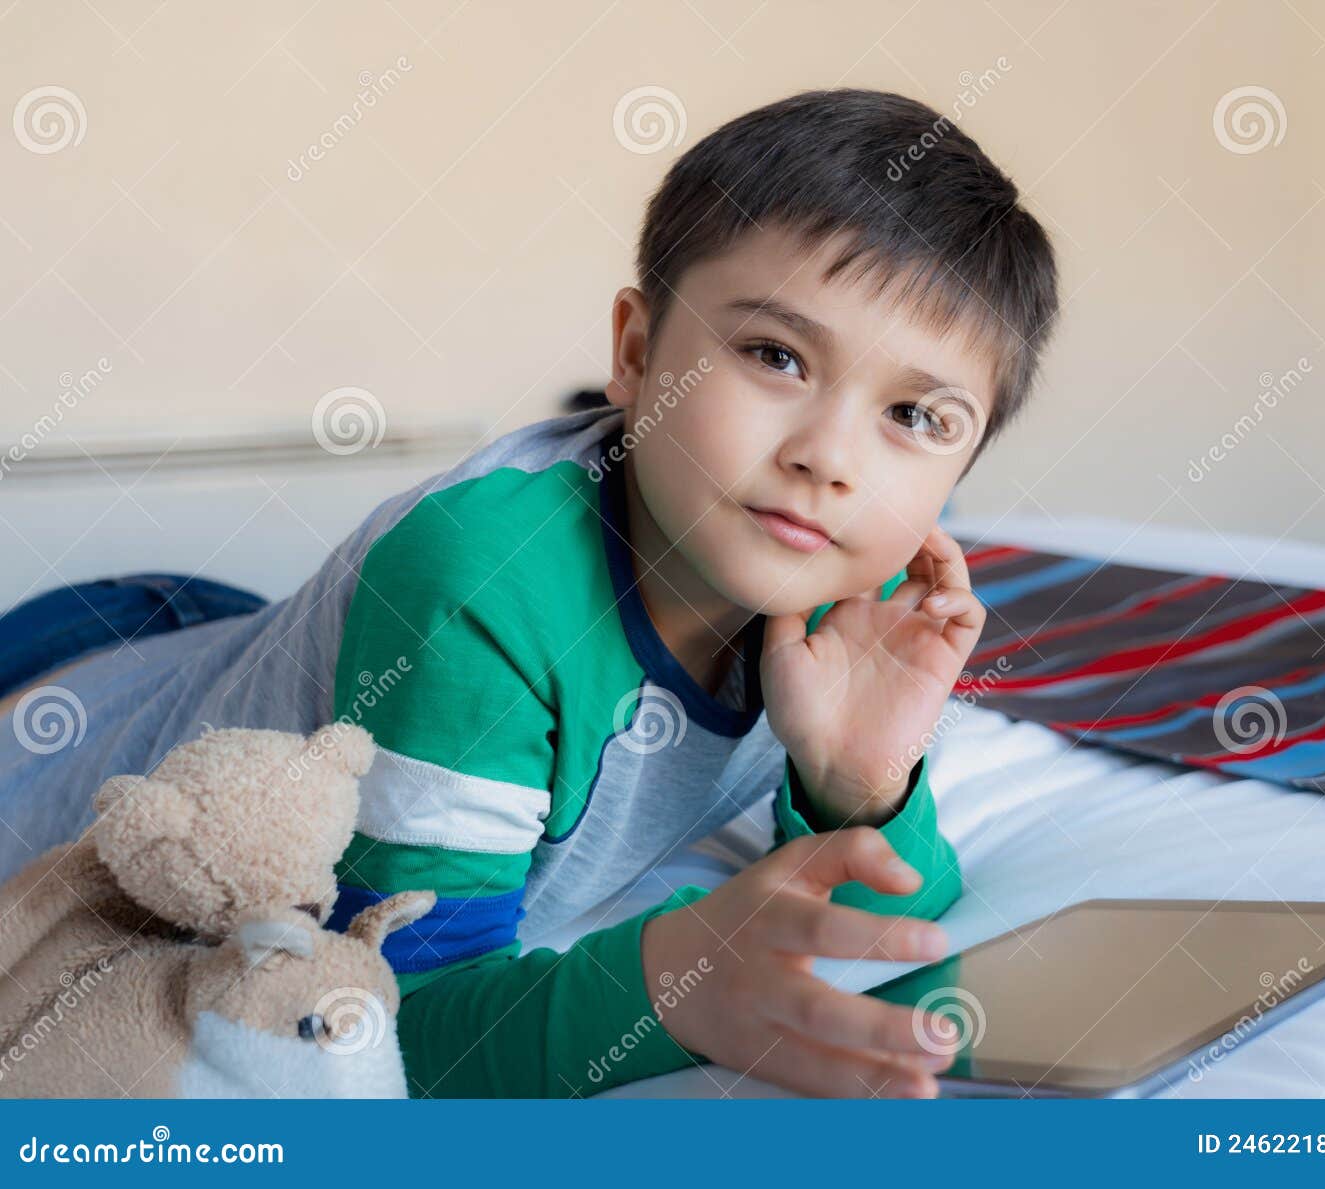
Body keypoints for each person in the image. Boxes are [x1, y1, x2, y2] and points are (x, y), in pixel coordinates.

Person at [0, 88, 1059, 1098]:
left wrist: (859, 785)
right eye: (775, 355)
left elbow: (890, 918)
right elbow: (379, 1025)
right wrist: (662, 987)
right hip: (71, 700)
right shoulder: (482, 586)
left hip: (254, 645)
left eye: (917, 418)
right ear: (640, 353)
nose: (830, 457)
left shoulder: (839, 573)